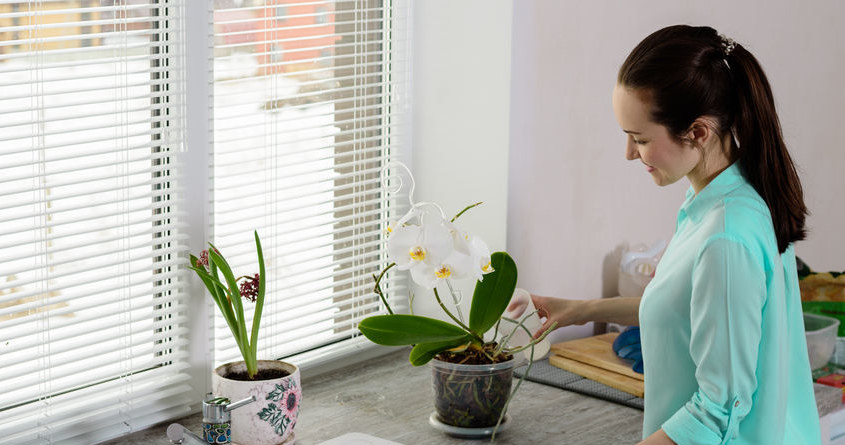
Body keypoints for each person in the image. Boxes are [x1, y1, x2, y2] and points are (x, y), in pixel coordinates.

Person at [522, 25, 821, 444]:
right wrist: (577, 309)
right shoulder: (726, 199)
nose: (628, 153)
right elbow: (685, 308)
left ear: (698, 132)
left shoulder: (726, 237)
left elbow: (719, 411)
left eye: (640, 138)